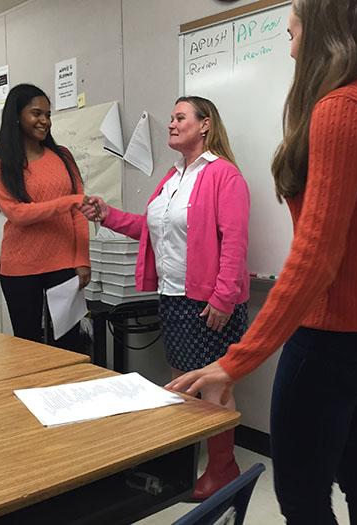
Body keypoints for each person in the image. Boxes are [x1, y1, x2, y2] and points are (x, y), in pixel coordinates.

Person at [167, 1, 357, 523]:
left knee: (303, 498)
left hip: (336, 336)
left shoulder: (342, 109)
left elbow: (314, 259)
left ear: (322, 32)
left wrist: (234, 361)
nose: (289, 44)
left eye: (293, 31)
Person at [80, 96, 250, 501]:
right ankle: (197, 462)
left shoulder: (223, 175)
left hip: (209, 302)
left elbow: (235, 241)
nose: (171, 124)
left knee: (214, 386)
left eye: (180, 117)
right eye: (171, 118)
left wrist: (224, 299)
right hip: (173, 297)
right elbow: (150, 229)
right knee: (186, 384)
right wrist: (107, 215)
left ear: (205, 124)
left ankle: (223, 468)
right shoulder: (172, 179)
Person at [0, 84, 89, 351]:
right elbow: (17, 213)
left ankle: (67, 393)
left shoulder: (62, 156)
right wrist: (68, 201)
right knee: (27, 346)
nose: (44, 121)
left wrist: (82, 259)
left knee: (68, 342)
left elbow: (79, 212)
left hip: (64, 264)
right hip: (20, 268)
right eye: (36, 113)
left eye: (48, 115)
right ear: (16, 117)